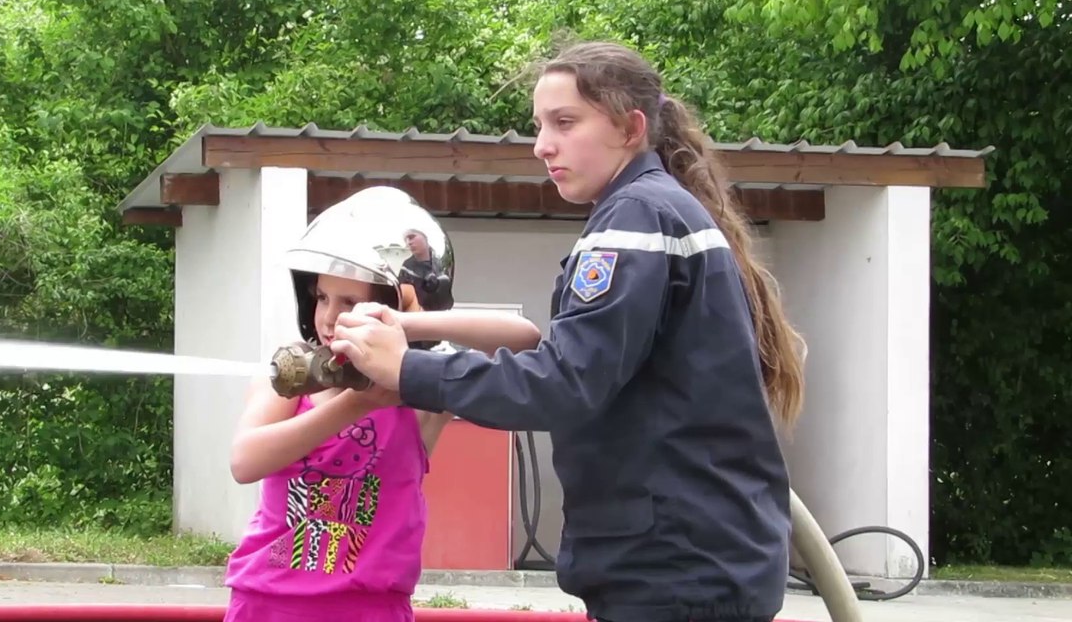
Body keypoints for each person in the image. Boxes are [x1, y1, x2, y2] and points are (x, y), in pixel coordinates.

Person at [329, 40, 807, 622]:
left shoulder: (635, 218)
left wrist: (406, 369)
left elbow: (565, 382)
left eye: (564, 122)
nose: (541, 145)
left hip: (672, 572)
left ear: (631, 128)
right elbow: (570, 359)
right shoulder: (663, 209)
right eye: (539, 125)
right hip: (695, 562)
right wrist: (406, 327)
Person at [221, 186, 542, 622]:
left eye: (349, 302)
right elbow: (245, 461)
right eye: (321, 298)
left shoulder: (417, 390)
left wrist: (403, 324)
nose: (329, 317)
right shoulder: (291, 379)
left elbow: (524, 336)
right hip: (271, 603)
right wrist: (354, 405)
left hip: (372, 607)